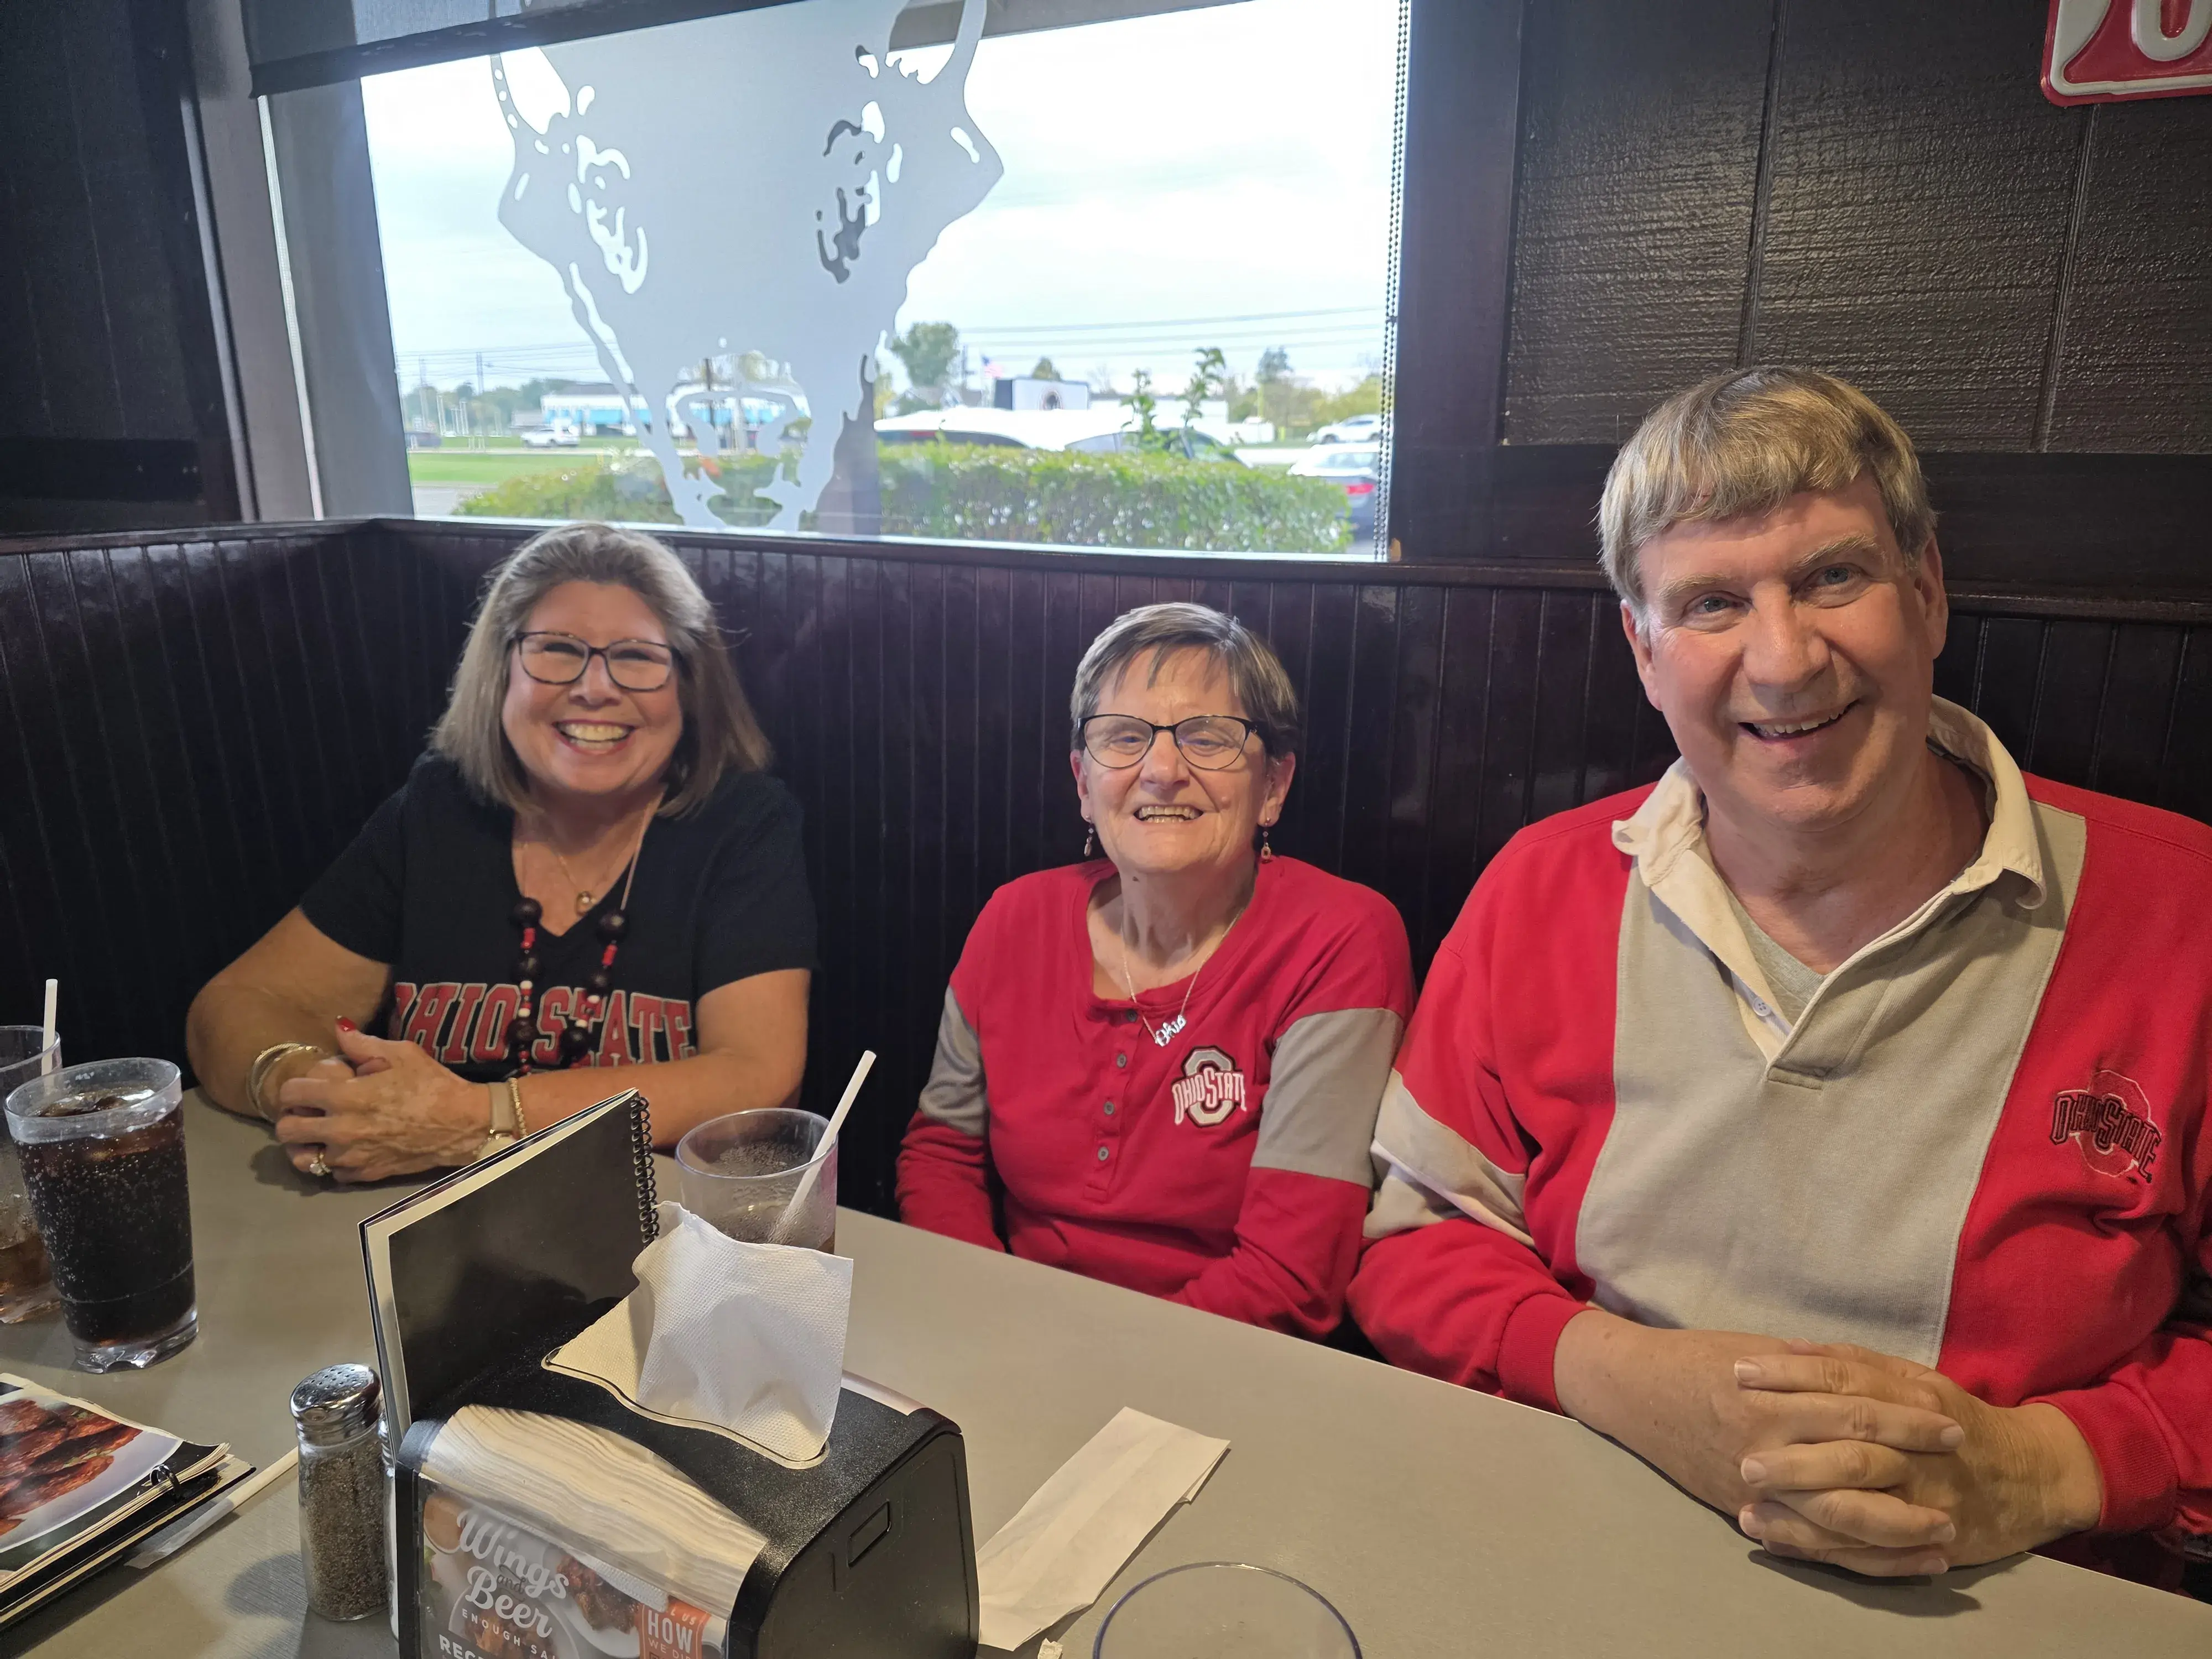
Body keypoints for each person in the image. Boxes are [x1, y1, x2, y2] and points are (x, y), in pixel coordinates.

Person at [1350, 367, 2211, 1587]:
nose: (1782, 658)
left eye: (1830, 577)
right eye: (1708, 602)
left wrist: (2045, 1465)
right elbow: (1417, 1238)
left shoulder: (2182, 911)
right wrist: (1628, 1381)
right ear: (1641, 650)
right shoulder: (1538, 887)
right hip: (1567, 1544)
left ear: (1923, 591)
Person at [186, 522, 816, 1181]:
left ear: (690, 688)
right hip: (414, 1217)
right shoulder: (439, 808)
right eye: (555, 650)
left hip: (654, 1235)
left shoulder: (743, 825)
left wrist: (476, 1115)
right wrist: (312, 1087)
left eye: (637, 657)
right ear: (501, 673)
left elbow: (755, 1077)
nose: (595, 687)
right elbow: (233, 1005)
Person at [896, 603, 1412, 1337]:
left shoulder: (1340, 939)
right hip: (1008, 1336)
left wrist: (1088, 1371)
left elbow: (1291, 1277)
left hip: (1223, 1368)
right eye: (1123, 739)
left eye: (1209, 738)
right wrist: (992, 1322)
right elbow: (943, 1154)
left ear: (1273, 786)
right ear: (1083, 781)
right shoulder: (1014, 920)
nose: (1162, 771)